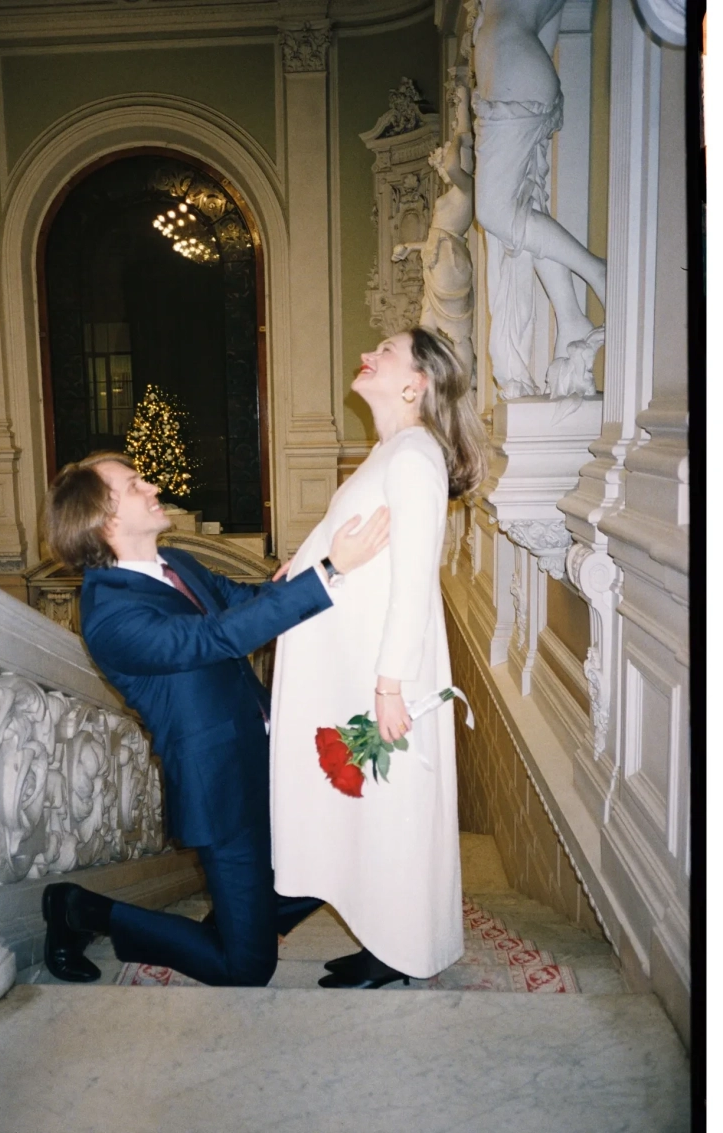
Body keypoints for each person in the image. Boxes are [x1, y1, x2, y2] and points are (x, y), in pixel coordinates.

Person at [39, 451, 389, 986]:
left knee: (339, 846)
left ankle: (243, 921)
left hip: (268, 751)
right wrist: (328, 571)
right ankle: (80, 910)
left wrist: (304, 572)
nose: (152, 487)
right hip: (220, 783)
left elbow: (244, 601)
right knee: (246, 969)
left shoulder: (177, 563)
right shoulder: (109, 614)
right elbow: (217, 637)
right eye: (134, 485)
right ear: (104, 520)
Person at [270, 326, 488, 988]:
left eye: (386, 352)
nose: (368, 355)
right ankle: (383, 940)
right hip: (359, 668)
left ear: (416, 384)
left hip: (384, 677)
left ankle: (400, 952)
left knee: (394, 811)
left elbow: (416, 581)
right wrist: (301, 564)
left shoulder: (415, 456)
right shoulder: (389, 452)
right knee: (370, 810)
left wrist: (390, 686)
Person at [471, 0, 606, 398]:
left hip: (513, 77)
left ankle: (598, 272)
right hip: (519, 74)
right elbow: (547, 26)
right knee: (524, 213)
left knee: (494, 212)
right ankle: (571, 315)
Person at [392, 82, 475, 382]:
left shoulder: (466, 190)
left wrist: (462, 121)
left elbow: (454, 163)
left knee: (458, 333)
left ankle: (464, 390)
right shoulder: (454, 194)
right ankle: (429, 387)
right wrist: (409, 246)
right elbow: (435, 236)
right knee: (425, 328)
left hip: (449, 262)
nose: (441, 169)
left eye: (441, 163)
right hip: (436, 260)